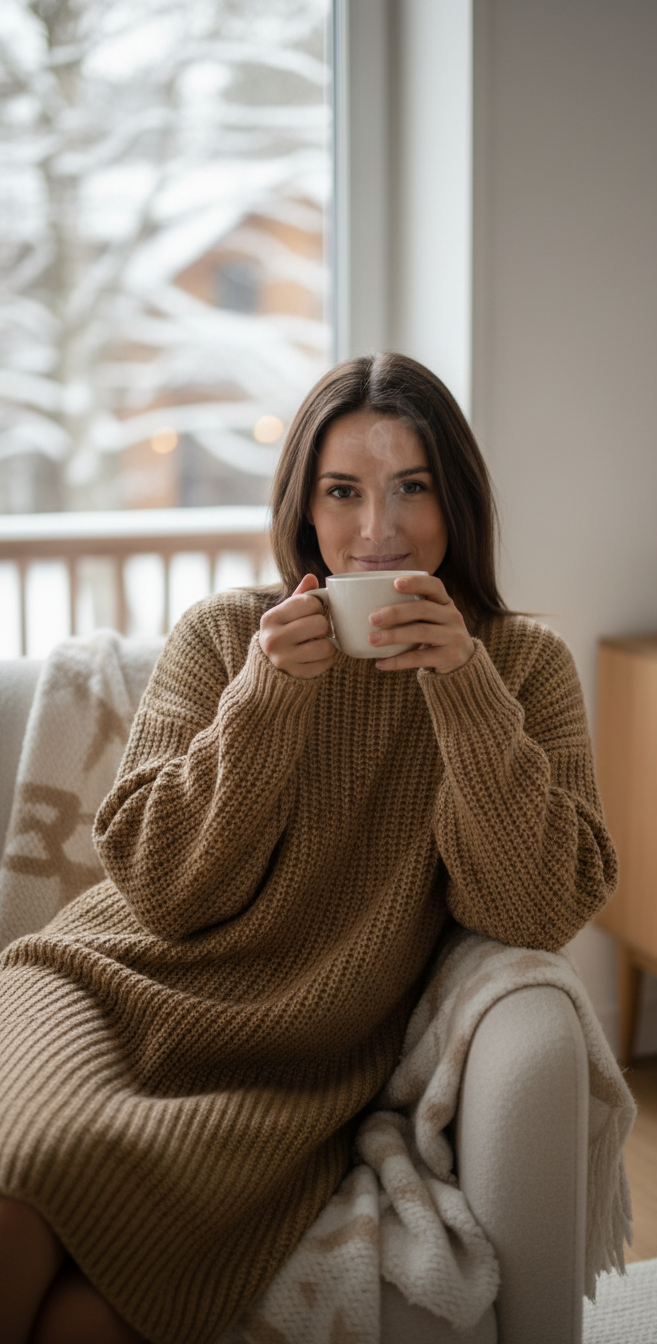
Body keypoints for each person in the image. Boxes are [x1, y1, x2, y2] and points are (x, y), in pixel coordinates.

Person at [0, 351, 618, 1344]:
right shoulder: (224, 637)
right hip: (101, 990)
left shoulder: (522, 665)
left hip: (288, 1059)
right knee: (14, 1203)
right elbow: (160, 889)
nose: (377, 529)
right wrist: (264, 698)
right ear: (306, 507)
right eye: (344, 492)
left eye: (411, 487)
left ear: (454, 500)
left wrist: (461, 686)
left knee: (90, 1320)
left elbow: (532, 912)